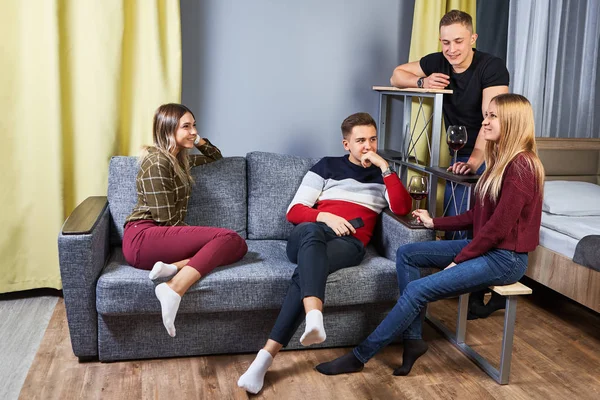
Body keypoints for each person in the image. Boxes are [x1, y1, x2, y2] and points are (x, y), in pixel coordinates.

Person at [315, 93, 544, 378]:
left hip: (505, 259)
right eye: (486, 115)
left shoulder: (522, 167)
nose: (484, 122)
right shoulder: (499, 162)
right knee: (408, 254)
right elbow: (478, 217)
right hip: (488, 248)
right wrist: (435, 222)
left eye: (492, 116)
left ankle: (359, 356)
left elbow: (497, 229)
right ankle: (413, 339)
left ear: (512, 121)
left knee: (417, 290)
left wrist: (460, 259)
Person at [237, 112, 413, 394]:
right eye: (360, 141)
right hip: (310, 234)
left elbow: (403, 208)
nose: (367, 146)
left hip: (349, 244)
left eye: (372, 139)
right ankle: (314, 315)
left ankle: (264, 359)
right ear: (346, 144)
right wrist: (326, 217)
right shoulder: (326, 166)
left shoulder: (384, 177)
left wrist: (385, 168)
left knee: (304, 275)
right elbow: (295, 212)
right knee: (310, 232)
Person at [390, 9, 510, 317]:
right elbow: (396, 75)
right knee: (459, 220)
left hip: (492, 153)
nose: (452, 49)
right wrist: (422, 81)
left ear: (473, 38)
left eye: (458, 41)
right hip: (459, 151)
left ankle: (478, 293)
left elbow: (491, 119)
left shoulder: (491, 67)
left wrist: (474, 161)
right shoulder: (439, 62)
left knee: (477, 221)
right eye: (446, 42)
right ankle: (466, 289)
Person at [122, 103, 248, 338]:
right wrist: (202, 238)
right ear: (168, 130)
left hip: (159, 237)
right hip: (143, 237)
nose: (193, 132)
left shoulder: (179, 159)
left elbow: (215, 156)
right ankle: (173, 288)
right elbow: (166, 220)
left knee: (237, 246)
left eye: (194, 126)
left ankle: (173, 267)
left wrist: (197, 140)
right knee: (228, 238)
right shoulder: (156, 162)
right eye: (186, 127)